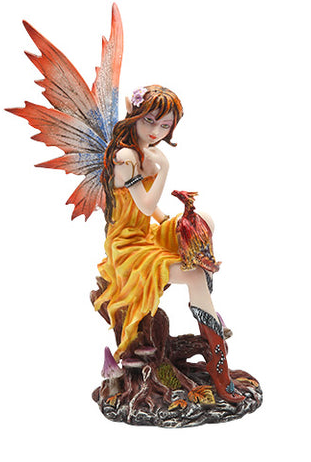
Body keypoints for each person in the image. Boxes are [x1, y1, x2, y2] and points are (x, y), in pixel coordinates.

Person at [96, 85, 244, 403]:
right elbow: (145, 204)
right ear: (133, 114)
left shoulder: (145, 152)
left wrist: (169, 222)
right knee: (194, 275)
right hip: (127, 245)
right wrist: (164, 169)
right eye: (149, 121)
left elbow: (150, 210)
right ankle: (219, 365)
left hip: (146, 233)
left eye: (165, 125)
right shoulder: (125, 157)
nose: (156, 131)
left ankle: (205, 299)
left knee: (202, 220)